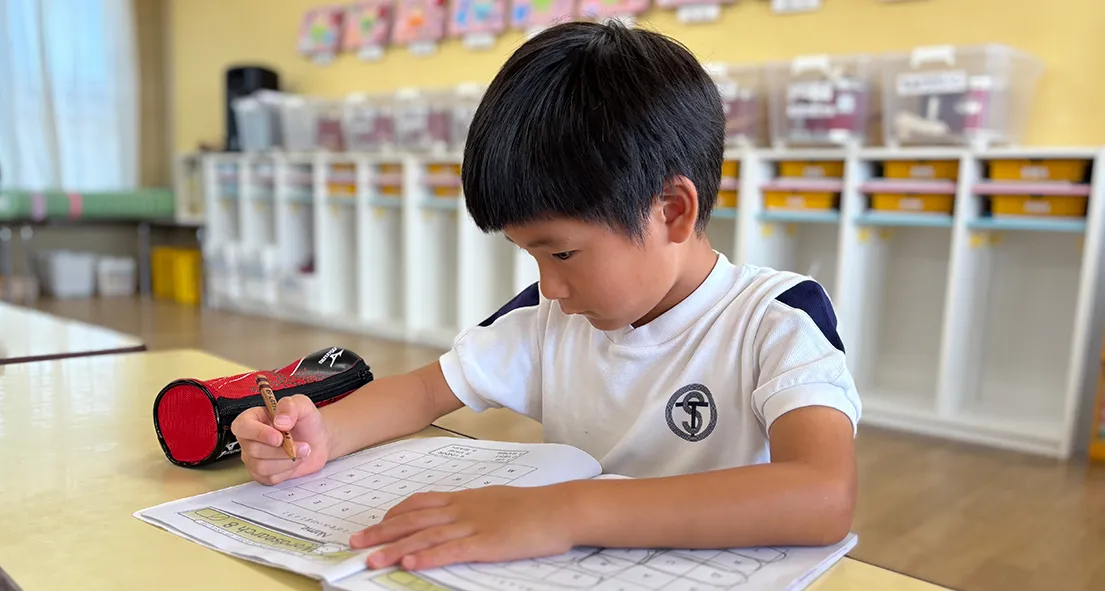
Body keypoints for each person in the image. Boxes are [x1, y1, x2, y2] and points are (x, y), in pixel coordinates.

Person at [231, 20, 861, 572]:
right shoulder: (549, 318)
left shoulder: (776, 319)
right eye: (530, 255)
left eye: (561, 253)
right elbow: (426, 390)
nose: (550, 287)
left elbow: (822, 497)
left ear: (671, 209)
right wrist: (319, 435)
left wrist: (563, 511)